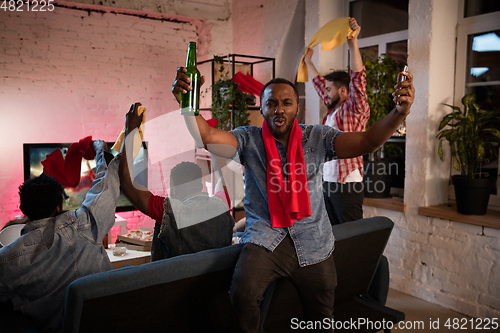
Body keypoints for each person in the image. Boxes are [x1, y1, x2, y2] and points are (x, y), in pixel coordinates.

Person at [171, 65, 414, 332]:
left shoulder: (319, 137)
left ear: (297, 108)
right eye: (271, 103)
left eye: (287, 103)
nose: (279, 109)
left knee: (321, 319)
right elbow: (207, 136)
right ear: (261, 109)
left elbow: (367, 141)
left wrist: (400, 112)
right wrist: (187, 104)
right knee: (242, 294)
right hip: (265, 238)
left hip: (313, 240)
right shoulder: (248, 139)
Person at [0, 140, 120, 333]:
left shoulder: (7, 260)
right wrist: (100, 150)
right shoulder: (85, 225)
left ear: (24, 211)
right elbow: (105, 183)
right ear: (59, 206)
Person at [118, 103, 234, 261]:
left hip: (176, 284)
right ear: (200, 186)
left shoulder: (169, 210)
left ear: (173, 188)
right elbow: (223, 177)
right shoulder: (221, 204)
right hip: (216, 284)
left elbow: (125, 182)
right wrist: (210, 141)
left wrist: (130, 127)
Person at [305, 17, 369, 225]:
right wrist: (308, 63)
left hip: (347, 183)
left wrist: (353, 43)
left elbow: (358, 79)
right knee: (332, 236)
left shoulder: (354, 109)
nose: (325, 93)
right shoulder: (333, 111)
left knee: (353, 236)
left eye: (329, 90)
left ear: (343, 90)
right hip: (329, 182)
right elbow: (319, 84)